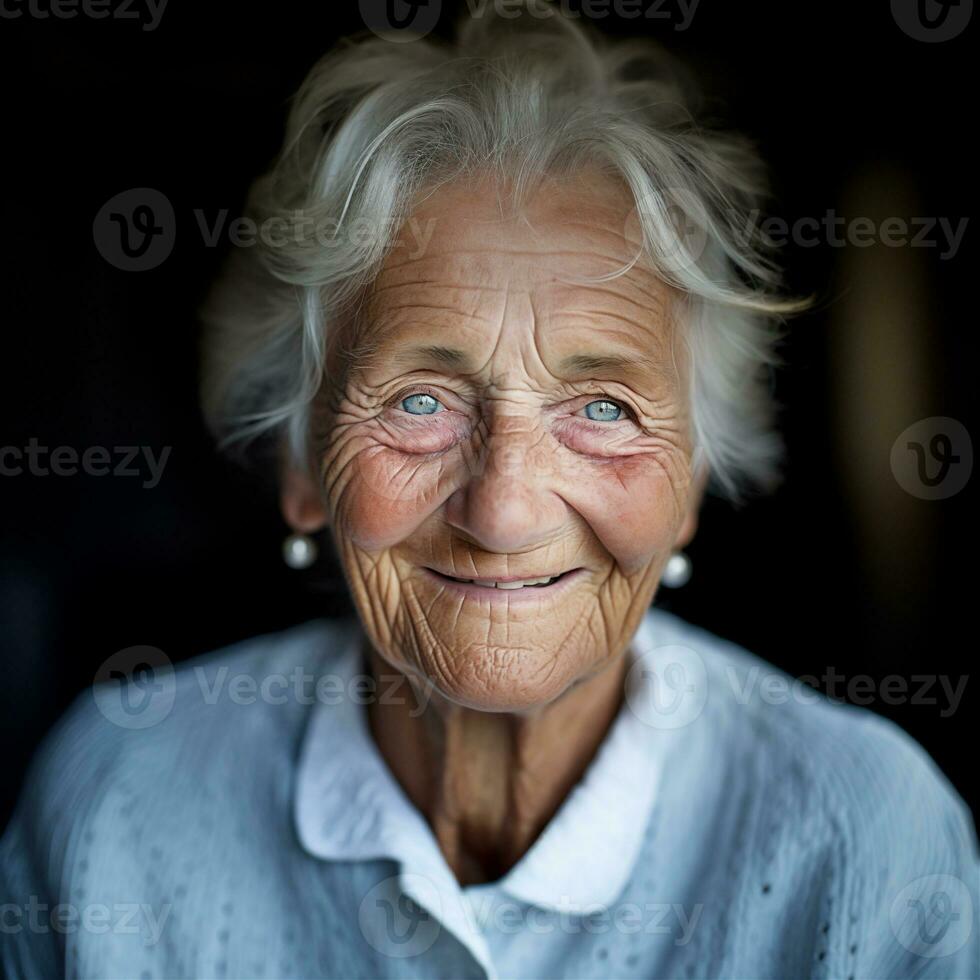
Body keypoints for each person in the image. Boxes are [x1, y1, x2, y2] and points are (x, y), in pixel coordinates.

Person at [3, 3, 976, 977]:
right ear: (302, 467)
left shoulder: (863, 834)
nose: (504, 509)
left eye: (600, 408)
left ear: (687, 486)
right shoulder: (116, 804)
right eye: (419, 399)